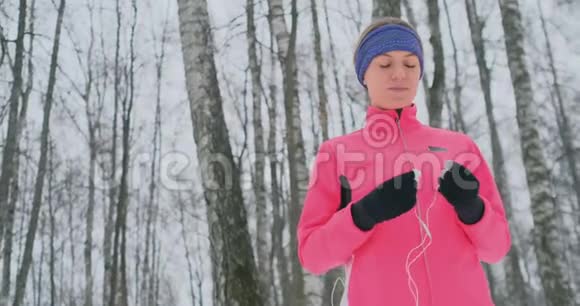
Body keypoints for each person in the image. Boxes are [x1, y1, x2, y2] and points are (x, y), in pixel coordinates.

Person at [297, 17, 511, 306]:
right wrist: (363, 214)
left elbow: (497, 248)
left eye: (410, 65)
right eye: (385, 65)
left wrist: (473, 210)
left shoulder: (460, 147)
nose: (399, 74)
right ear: (364, 75)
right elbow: (312, 256)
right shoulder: (336, 155)